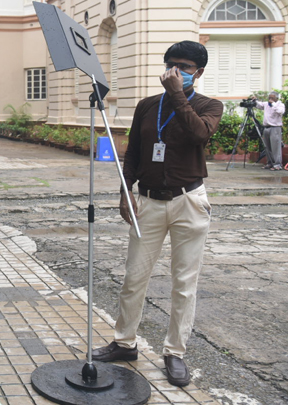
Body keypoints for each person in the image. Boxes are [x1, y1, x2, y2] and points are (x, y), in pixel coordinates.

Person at [92, 40, 223, 387]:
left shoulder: (210, 106)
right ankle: (124, 343)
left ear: (199, 72)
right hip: (148, 201)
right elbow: (133, 151)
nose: (175, 72)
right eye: (170, 65)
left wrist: (178, 94)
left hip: (188, 201)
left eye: (185, 67)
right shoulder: (148, 105)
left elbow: (199, 134)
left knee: (184, 283)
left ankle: (174, 352)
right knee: (134, 276)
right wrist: (126, 191)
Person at [252, 91, 284, 171]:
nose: (270, 99)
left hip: (275, 128)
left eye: (272, 97)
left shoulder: (280, 105)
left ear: (276, 98)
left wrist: (273, 105)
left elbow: (280, 111)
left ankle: (277, 164)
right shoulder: (266, 104)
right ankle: (270, 163)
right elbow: (259, 105)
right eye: (269, 97)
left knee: (275, 147)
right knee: (267, 147)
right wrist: (255, 100)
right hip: (266, 127)